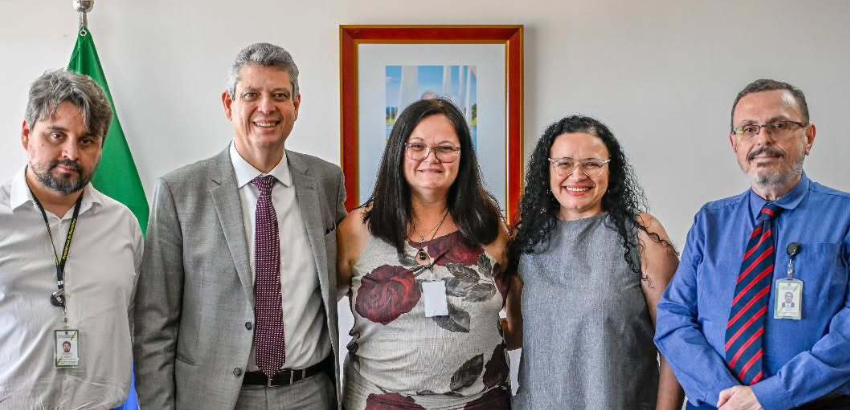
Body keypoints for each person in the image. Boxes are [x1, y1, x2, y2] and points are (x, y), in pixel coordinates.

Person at [133, 43, 346, 410]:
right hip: (214, 399)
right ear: (228, 104)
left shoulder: (326, 181)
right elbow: (154, 325)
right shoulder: (179, 192)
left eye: (279, 95)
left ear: (296, 105)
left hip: (310, 393)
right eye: (252, 95)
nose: (266, 107)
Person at [655, 79, 850, 410]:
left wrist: (769, 395)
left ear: (809, 137)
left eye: (779, 125)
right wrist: (727, 395)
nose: (763, 139)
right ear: (734, 143)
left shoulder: (844, 216)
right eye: (748, 129)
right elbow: (674, 317)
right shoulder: (710, 222)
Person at [337, 98, 519, 409]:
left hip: (480, 402)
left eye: (446, 148)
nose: (430, 158)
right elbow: (316, 312)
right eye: (417, 146)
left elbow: (517, 327)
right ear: (398, 152)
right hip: (379, 402)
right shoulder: (358, 229)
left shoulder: (490, 228)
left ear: (463, 156)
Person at [509, 115, 684, 410]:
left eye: (591, 163)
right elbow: (515, 332)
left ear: (610, 170)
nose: (577, 175)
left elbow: (675, 338)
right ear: (547, 170)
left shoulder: (642, 234)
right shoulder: (525, 238)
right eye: (564, 163)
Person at [0, 69, 143, 409]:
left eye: (86, 140)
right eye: (56, 135)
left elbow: (139, 328)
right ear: (26, 135)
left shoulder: (123, 224)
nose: (71, 153)